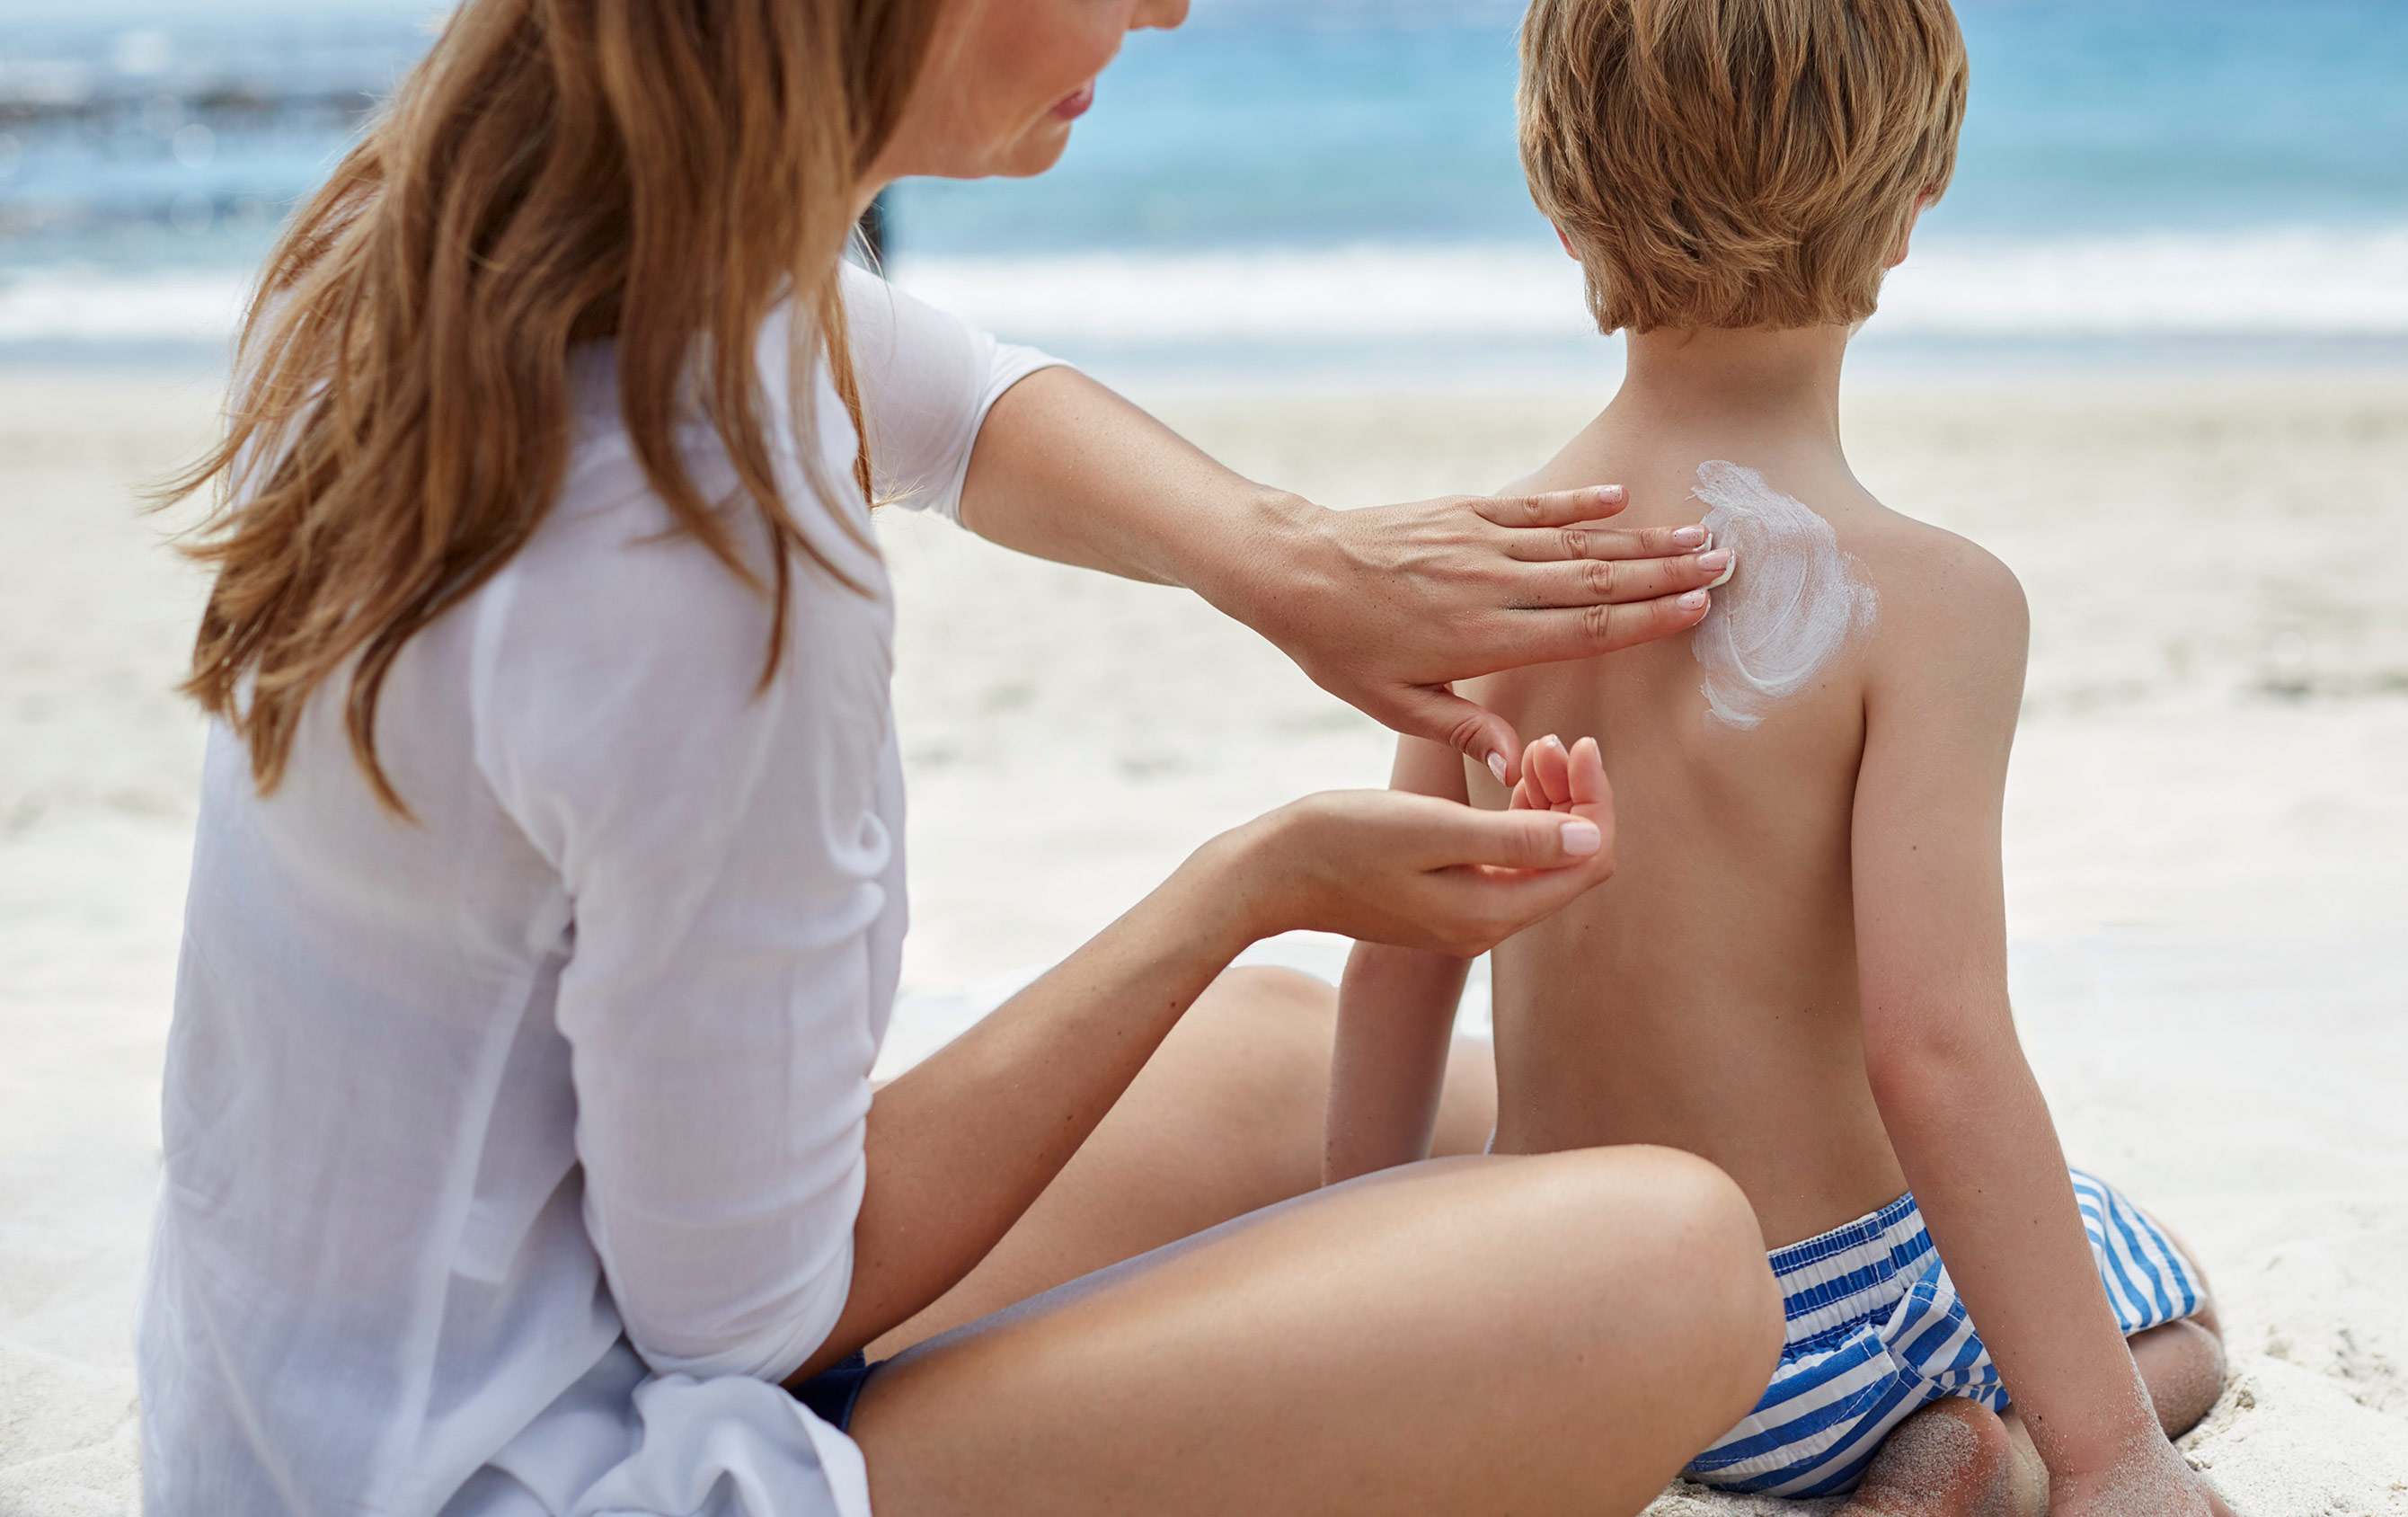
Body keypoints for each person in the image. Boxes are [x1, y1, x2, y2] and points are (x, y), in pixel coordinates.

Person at [136, 1, 1788, 1513]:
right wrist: (1245, 883)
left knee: (1294, 1062)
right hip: (557, 1466)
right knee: (1675, 1267)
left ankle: (1888, 1258)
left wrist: (1285, 557)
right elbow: (747, 1321)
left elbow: (950, 404)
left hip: (352, 1411)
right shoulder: (706, 569)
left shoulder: (500, 226)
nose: (1163, 8)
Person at [1321, 1, 2235, 1514]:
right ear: (1915, 199)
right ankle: (1993, 1462)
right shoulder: (1930, 602)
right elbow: (1933, 1049)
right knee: (2177, 1304)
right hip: (1814, 1333)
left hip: (1563, 1312)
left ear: (1558, 191)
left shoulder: (1470, 565)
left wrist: (1368, 1285)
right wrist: (2117, 1460)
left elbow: (1399, 961)